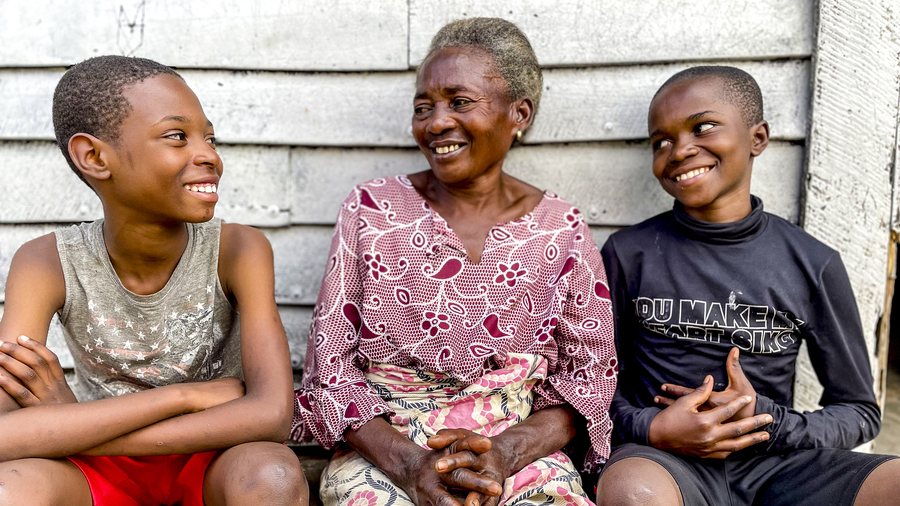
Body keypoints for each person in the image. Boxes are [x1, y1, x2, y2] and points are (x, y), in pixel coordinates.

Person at [293, 17, 617, 506]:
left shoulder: (561, 227)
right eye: (424, 107)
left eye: (459, 102)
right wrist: (411, 465)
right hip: (386, 452)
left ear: (519, 113)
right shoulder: (372, 210)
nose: (436, 122)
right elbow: (330, 367)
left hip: (517, 452)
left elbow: (588, 379)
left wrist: (502, 454)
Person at [0, 55, 308, 506]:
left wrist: (68, 426)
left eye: (209, 138)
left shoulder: (239, 250)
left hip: (216, 454)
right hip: (94, 470)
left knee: (273, 476)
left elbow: (272, 414)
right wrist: (184, 396)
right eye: (177, 136)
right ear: (94, 157)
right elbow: (5, 432)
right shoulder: (46, 262)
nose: (209, 156)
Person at [596, 65, 900, 506]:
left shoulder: (812, 263)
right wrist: (651, 428)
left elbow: (859, 411)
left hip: (777, 462)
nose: (679, 150)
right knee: (633, 493)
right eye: (662, 141)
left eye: (703, 127)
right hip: (662, 459)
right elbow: (594, 384)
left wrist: (770, 422)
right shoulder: (629, 253)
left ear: (757, 138)